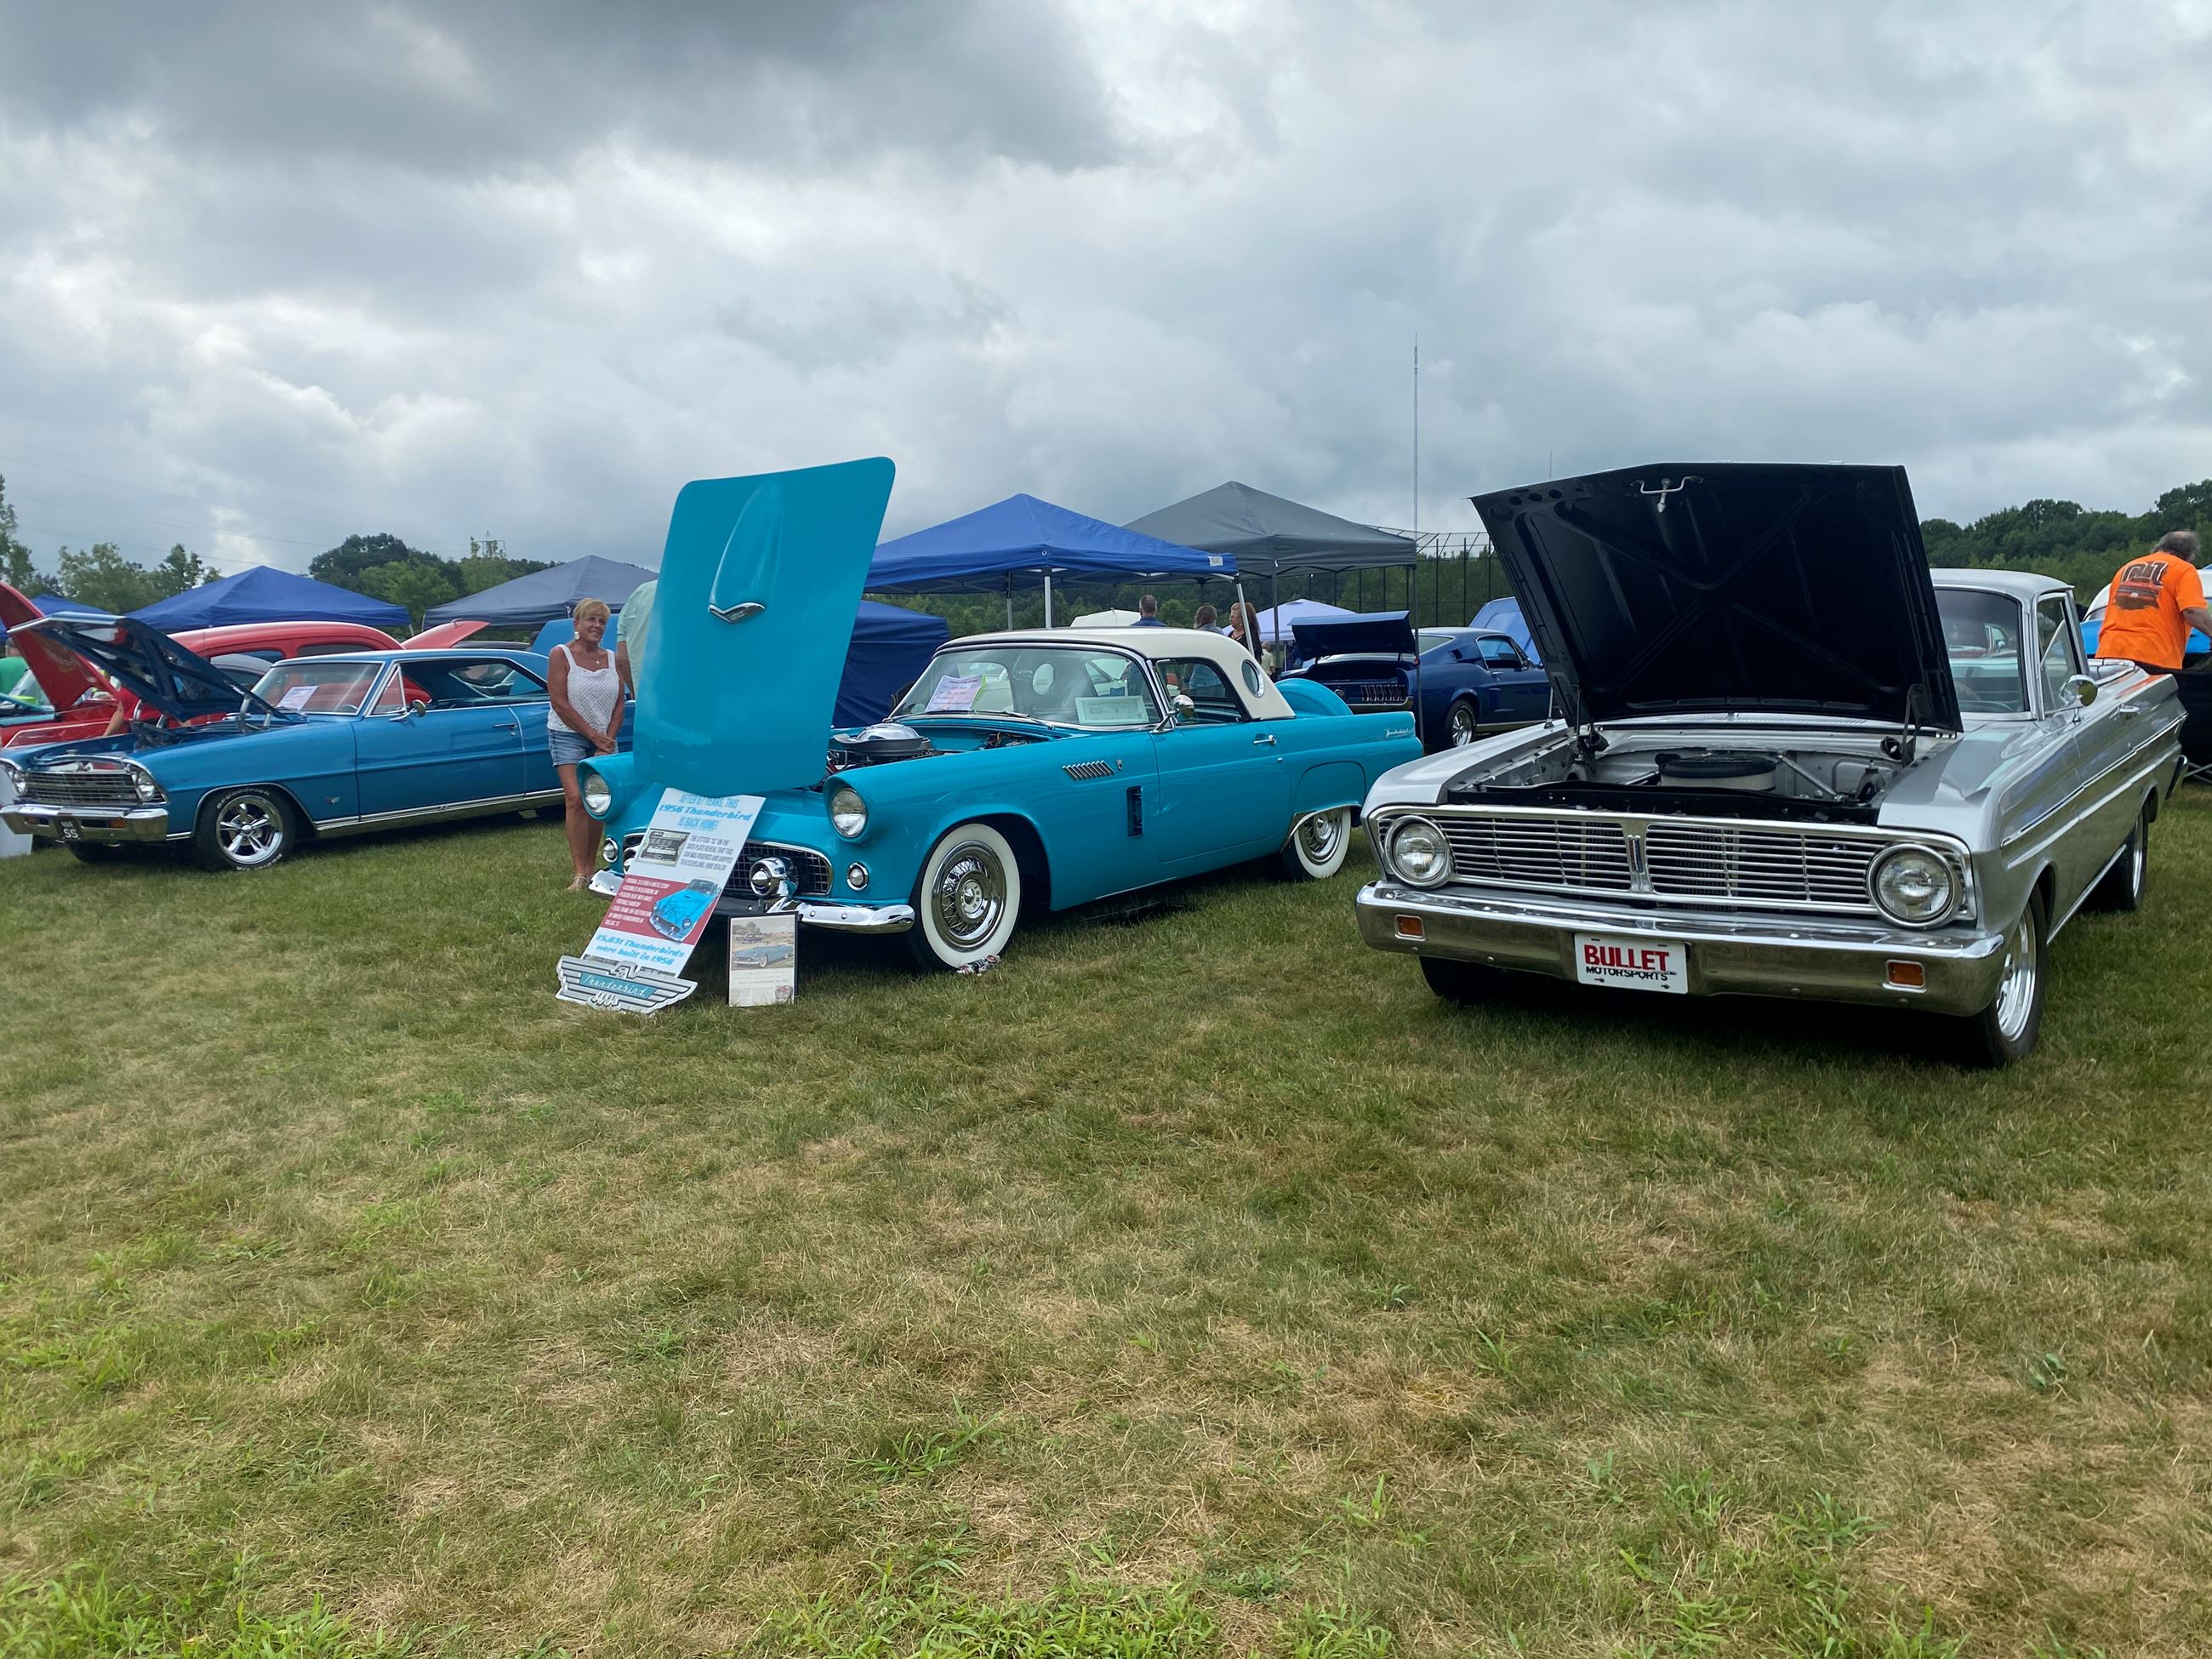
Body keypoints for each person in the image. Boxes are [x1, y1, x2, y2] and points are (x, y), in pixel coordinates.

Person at [547, 597, 624, 889]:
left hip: (605, 737)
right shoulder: (561, 654)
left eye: (602, 621)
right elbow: (559, 702)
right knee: (577, 799)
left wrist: (608, 739)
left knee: (599, 803)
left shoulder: (612, 658)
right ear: (577, 624)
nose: (596, 626)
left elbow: (619, 702)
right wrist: (593, 736)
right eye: (591, 620)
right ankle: (580, 871)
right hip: (567, 733)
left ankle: (594, 868)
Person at [2095, 530, 2212, 676]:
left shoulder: (2126, 568)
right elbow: (2193, 611)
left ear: (2159, 546)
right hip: (2153, 656)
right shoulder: (2183, 569)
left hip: (2110, 654)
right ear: (2189, 555)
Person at [614, 577, 656, 699]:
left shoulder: (640, 593)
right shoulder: (703, 590)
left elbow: (622, 660)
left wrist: (637, 692)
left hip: (648, 701)